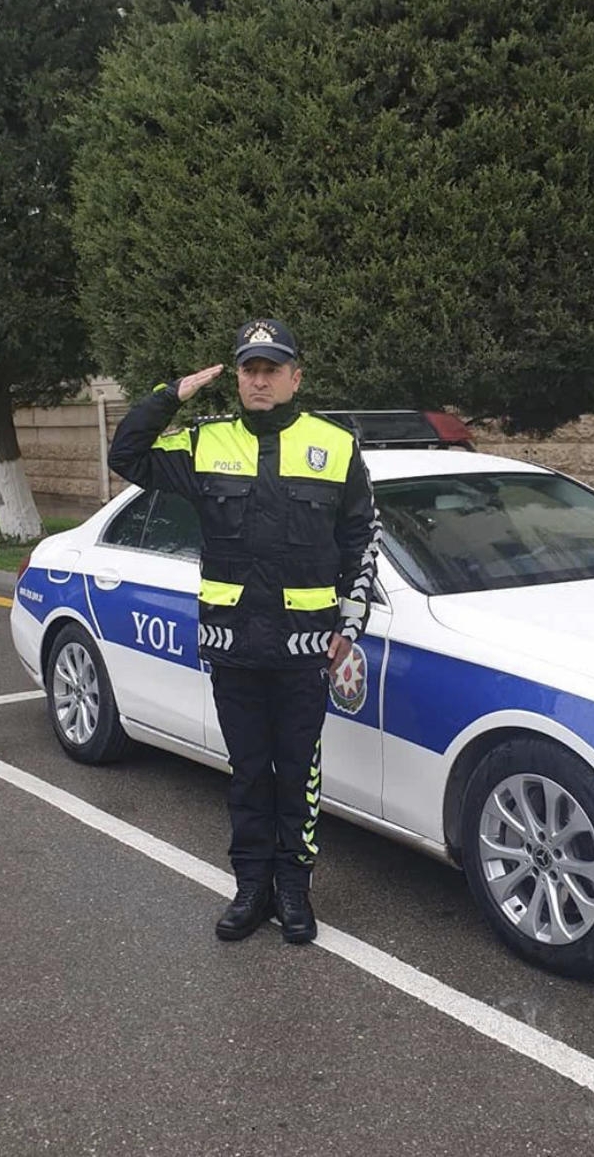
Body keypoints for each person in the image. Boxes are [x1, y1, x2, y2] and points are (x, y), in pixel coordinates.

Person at [108, 318, 380, 944]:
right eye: (249, 369)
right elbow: (125, 456)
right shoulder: (205, 442)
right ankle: (251, 886)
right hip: (233, 644)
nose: (259, 380)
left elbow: (362, 538)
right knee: (249, 772)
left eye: (271, 369)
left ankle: (293, 888)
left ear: (294, 377)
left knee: (298, 772)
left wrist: (352, 624)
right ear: (237, 376)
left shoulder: (335, 444)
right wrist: (170, 394)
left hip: (305, 646)